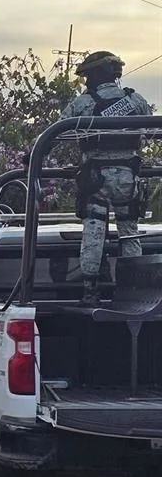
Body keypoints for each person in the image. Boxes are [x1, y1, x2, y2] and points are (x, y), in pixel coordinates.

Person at [59, 50, 152, 306]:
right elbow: (151, 129)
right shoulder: (136, 100)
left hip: (96, 179)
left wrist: (28, 158)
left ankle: (90, 290)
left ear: (95, 76)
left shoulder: (84, 103)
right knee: (129, 233)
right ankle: (135, 286)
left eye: (87, 76)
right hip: (128, 179)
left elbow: (57, 132)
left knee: (94, 232)